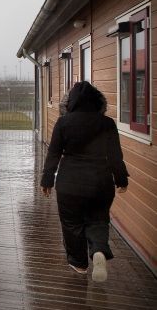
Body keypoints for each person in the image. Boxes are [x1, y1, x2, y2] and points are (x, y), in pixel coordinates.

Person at [40, 81, 129, 282]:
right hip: (101, 183)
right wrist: (121, 179)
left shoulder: (63, 123)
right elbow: (115, 156)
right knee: (98, 219)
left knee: (72, 224)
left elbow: (53, 154)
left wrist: (47, 180)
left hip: (70, 184)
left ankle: (79, 264)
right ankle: (98, 250)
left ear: (70, 103)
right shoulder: (107, 123)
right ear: (98, 102)